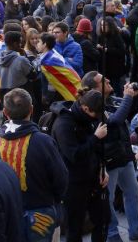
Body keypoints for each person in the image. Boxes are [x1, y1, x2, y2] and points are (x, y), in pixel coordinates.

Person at [79, 73, 138, 242]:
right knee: (108, 199)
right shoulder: (94, 107)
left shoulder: (112, 100)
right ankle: (112, 234)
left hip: (123, 155)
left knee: (133, 192)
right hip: (108, 160)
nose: (108, 80)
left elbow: (126, 113)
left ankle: (136, 229)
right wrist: (128, 98)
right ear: (94, 89)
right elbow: (114, 121)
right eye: (103, 81)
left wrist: (131, 97)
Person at [0, 88, 68, 242]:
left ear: (5, 112)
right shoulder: (44, 141)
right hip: (41, 214)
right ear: (32, 109)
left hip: (4, 213)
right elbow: (61, 179)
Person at [49, 89, 110, 242]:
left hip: (95, 178)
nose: (98, 117)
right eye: (96, 114)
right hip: (74, 184)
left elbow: (98, 149)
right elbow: (74, 155)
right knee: (74, 228)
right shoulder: (64, 124)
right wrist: (95, 137)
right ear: (85, 109)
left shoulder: (90, 118)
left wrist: (103, 167)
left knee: (103, 220)